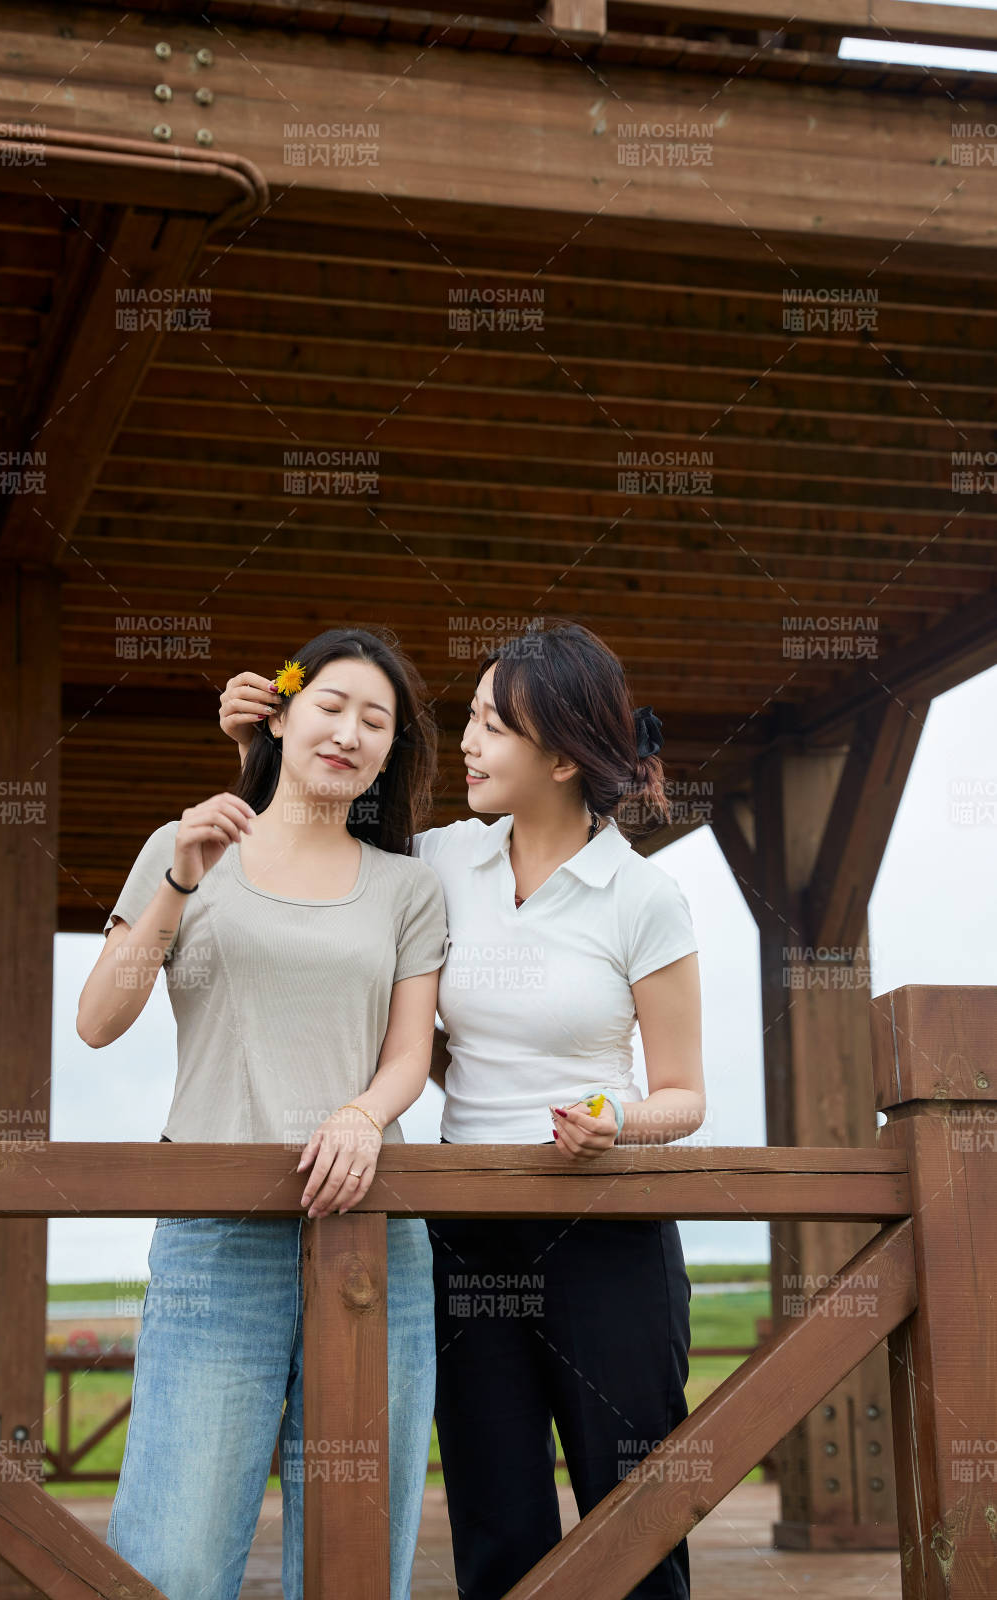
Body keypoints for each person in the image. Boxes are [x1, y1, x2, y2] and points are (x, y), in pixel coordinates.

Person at [220, 619, 704, 1600]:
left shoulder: (642, 896)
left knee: (636, 1526)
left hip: (606, 1231)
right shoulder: (439, 858)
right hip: (466, 1232)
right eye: (471, 719)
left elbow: (685, 1097)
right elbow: (307, 835)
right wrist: (259, 743)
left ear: (561, 756)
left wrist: (614, 1115)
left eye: (490, 726)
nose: (467, 744)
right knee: (496, 1525)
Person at [77, 626, 450, 1600]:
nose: (350, 731)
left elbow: (410, 1053)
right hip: (216, 1234)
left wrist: (364, 1115)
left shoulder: (409, 886)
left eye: (376, 720)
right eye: (330, 704)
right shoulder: (184, 843)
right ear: (277, 714)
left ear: (389, 752)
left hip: (375, 1234)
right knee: (176, 1553)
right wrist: (178, 876)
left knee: (357, 1559)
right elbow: (97, 1019)